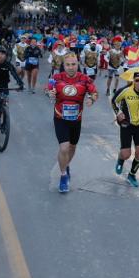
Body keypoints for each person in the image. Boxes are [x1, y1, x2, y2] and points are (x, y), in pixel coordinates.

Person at [47, 53, 97, 193]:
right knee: (64, 148)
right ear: (63, 65)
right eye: (68, 64)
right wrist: (50, 93)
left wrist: (91, 99)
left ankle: (66, 164)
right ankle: (63, 176)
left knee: (72, 148)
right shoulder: (56, 78)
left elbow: (94, 93)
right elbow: (48, 89)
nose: (70, 67)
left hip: (76, 120)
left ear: (78, 64)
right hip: (60, 118)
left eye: (73, 64)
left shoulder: (85, 79)